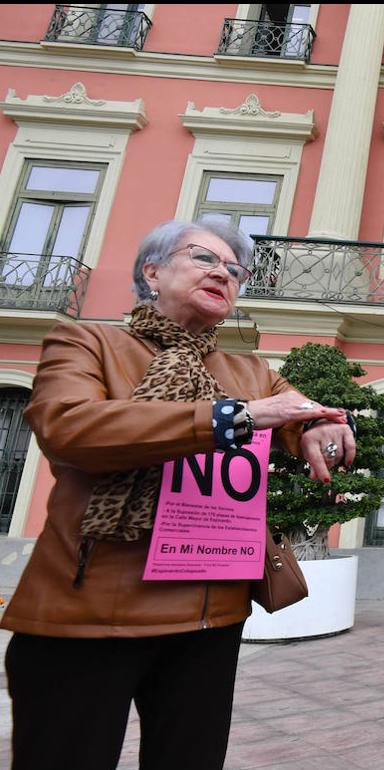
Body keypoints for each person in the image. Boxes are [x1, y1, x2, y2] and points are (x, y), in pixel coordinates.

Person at [1, 219, 354, 770]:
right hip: (88, 614)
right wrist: (232, 417)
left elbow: (302, 411)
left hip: (208, 619)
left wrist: (319, 428)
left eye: (235, 270)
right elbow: (69, 430)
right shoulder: (89, 341)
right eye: (203, 258)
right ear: (152, 271)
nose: (223, 272)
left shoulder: (250, 369)